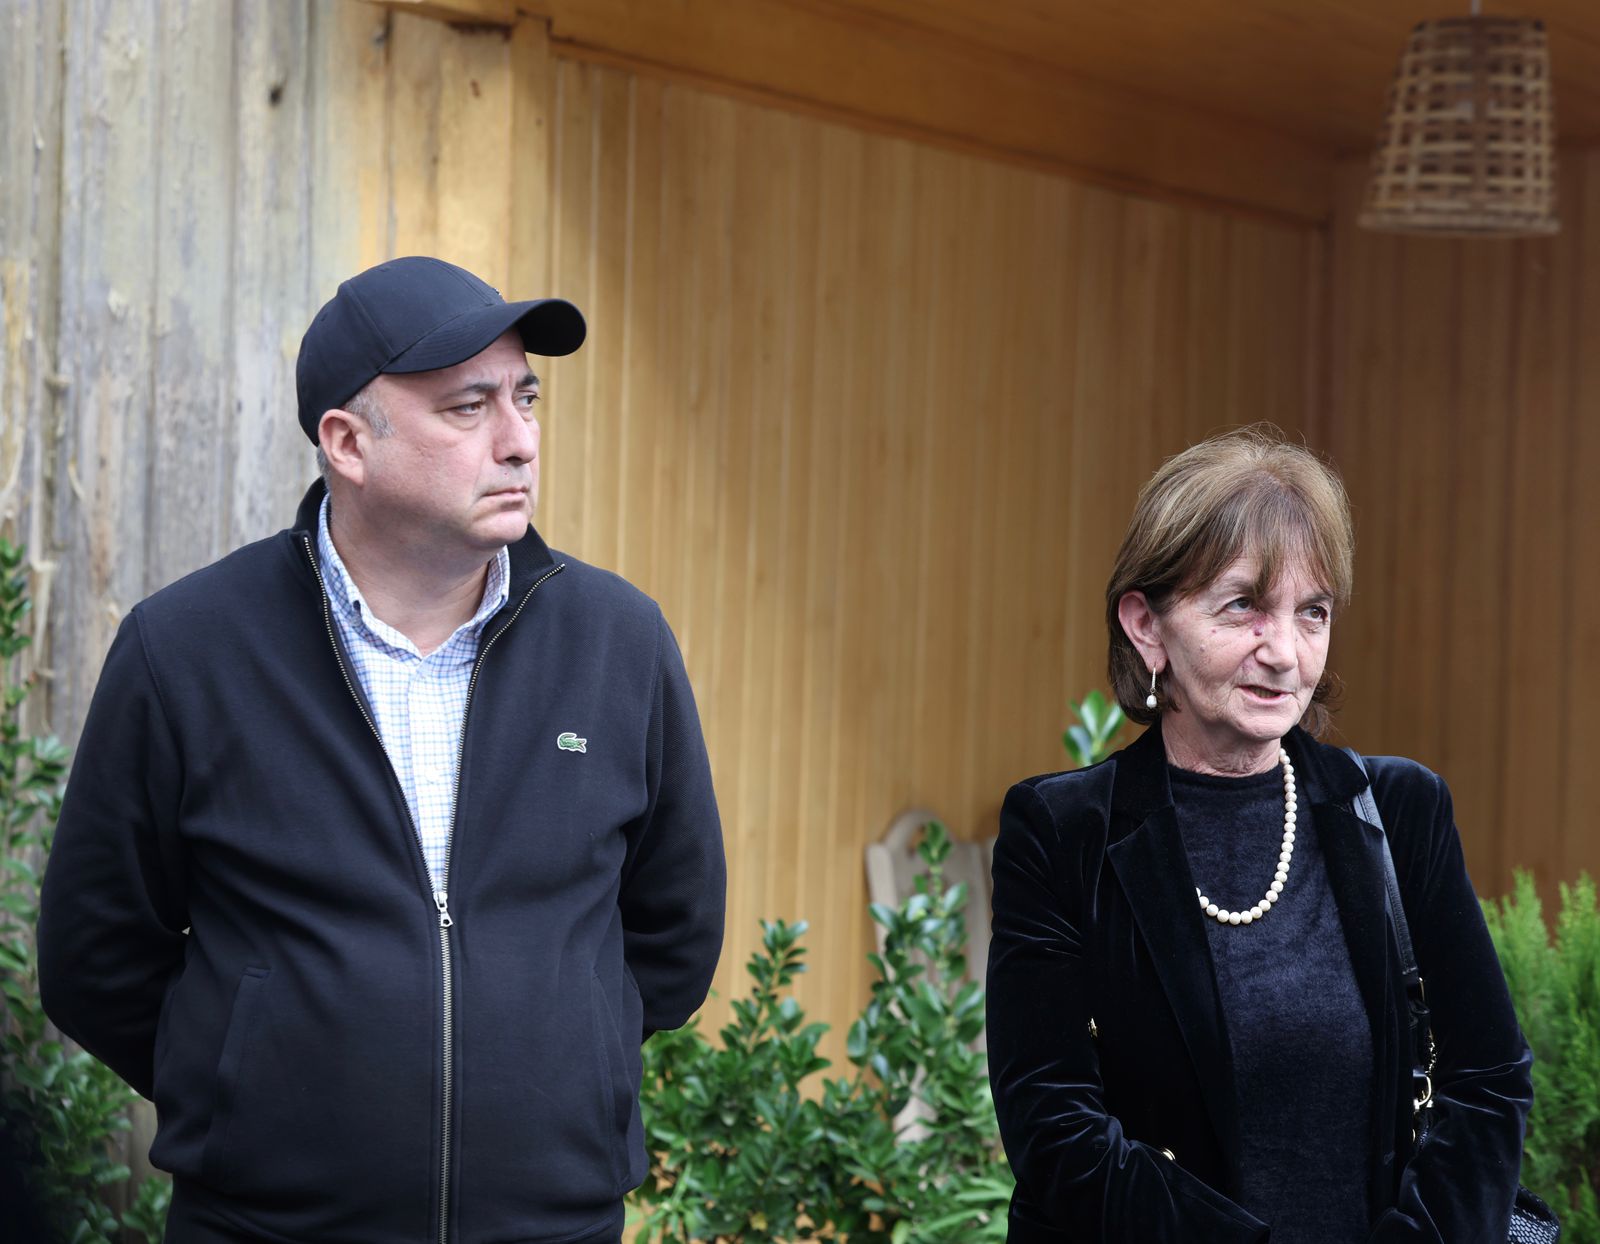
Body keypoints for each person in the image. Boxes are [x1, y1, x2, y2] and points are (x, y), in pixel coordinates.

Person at [38, 256, 727, 1244]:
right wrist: (250, 1085)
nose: (519, 440)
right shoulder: (186, 649)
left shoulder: (618, 641)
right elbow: (94, 953)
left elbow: (673, 930)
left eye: (525, 398)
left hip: (553, 1227)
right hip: (265, 1230)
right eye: (468, 407)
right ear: (348, 442)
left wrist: (564, 1061)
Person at [985, 426, 1533, 1243]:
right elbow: (1054, 1128)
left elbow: (1488, 1083)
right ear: (1146, 625)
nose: (1284, 652)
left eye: (1312, 613)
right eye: (1243, 605)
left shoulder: (1401, 810)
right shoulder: (1061, 833)